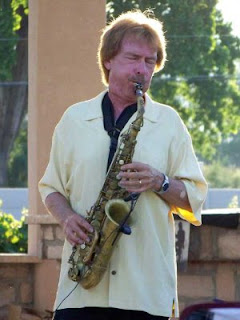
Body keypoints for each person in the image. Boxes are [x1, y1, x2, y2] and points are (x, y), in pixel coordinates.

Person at [38, 9, 208, 320]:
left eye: (149, 61)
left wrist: (161, 182)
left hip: (144, 292)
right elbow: (51, 188)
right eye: (133, 58)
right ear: (108, 60)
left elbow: (193, 199)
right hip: (81, 289)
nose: (142, 69)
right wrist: (66, 218)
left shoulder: (168, 123)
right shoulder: (74, 119)